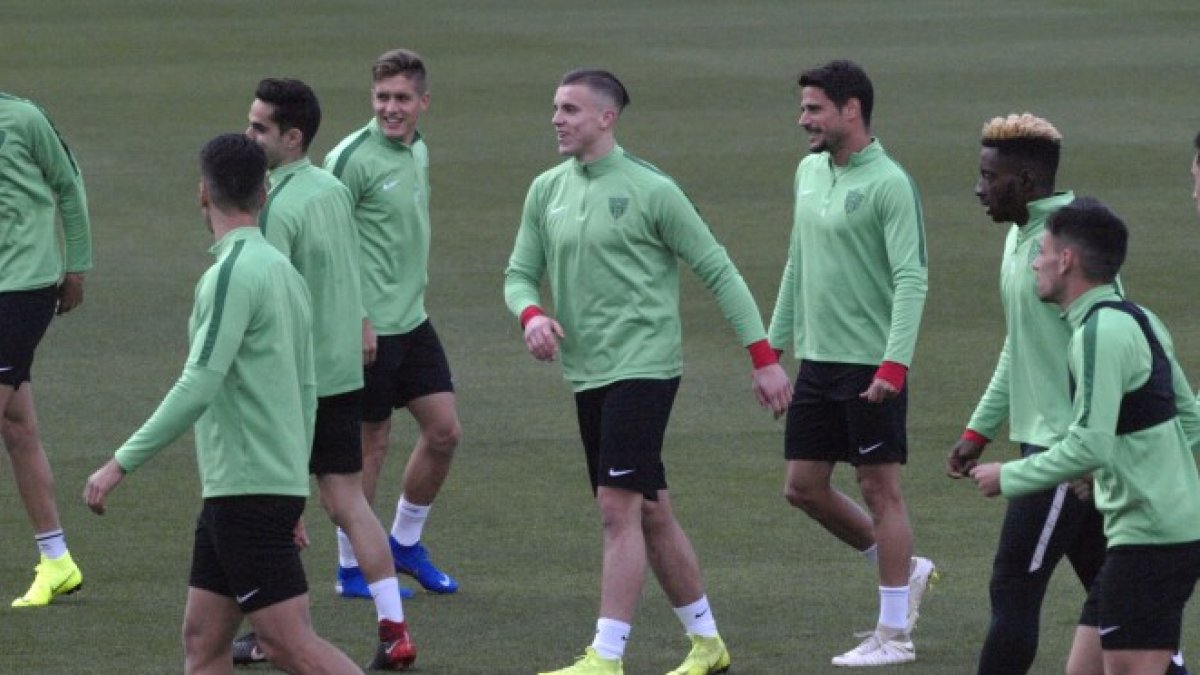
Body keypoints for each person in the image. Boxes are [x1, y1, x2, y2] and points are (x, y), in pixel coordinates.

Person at [505, 68, 792, 675]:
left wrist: (763, 360)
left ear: (606, 119)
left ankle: (606, 657)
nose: (557, 119)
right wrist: (532, 315)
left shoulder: (652, 189)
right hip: (587, 373)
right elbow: (518, 274)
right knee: (651, 510)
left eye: (571, 110)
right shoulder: (546, 189)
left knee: (617, 508)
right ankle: (709, 644)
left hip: (644, 367)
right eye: (556, 107)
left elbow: (720, 270)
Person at [82, 134, 365, 674]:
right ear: (264, 193)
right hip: (249, 488)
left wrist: (118, 464)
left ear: (202, 195)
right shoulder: (284, 272)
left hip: (246, 490)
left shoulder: (231, 274)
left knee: (288, 644)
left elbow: (198, 384)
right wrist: (293, 487)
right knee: (203, 641)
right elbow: (308, 391)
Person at [971, 196, 1200, 675]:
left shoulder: (1097, 333)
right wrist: (1106, 473)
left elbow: (1088, 444)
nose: (1035, 261)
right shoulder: (1139, 317)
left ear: (1066, 260)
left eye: (1043, 251)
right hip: (1152, 530)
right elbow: (1187, 422)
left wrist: (1008, 476)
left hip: (1152, 537)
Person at [232, 77, 414, 670]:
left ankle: (270, 634)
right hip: (341, 372)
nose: (248, 134)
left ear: (292, 136)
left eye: (259, 127)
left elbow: (271, 296)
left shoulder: (276, 203)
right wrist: (360, 319)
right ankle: (394, 628)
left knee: (266, 508)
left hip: (294, 380)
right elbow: (347, 265)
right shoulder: (330, 189)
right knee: (348, 502)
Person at [765, 59, 936, 667]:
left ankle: (895, 635)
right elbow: (797, 260)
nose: (803, 118)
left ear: (851, 110)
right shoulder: (809, 172)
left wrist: (895, 364)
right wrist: (771, 346)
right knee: (804, 487)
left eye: (813, 108)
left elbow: (912, 277)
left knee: (879, 488)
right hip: (819, 360)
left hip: (870, 364)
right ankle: (904, 571)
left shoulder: (890, 182)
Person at [945, 113, 1109, 675]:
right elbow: (1019, 347)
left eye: (989, 177)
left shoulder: (1072, 245)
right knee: (1113, 591)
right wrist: (977, 430)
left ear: (1026, 183)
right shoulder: (1022, 239)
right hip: (1048, 447)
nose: (978, 188)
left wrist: (1085, 452)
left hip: (1065, 456)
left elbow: (1104, 346)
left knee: (1014, 583)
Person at [324, 48, 459, 596]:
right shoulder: (349, 159)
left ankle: (403, 542)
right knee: (370, 443)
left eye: (402, 98)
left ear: (423, 102)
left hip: (412, 321)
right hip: (367, 328)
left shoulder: (417, 149)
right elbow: (325, 246)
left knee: (444, 432)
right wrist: (355, 318)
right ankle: (352, 567)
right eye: (382, 97)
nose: (391, 108)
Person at [1, 92, 91, 608]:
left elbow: (67, 184)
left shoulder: (24, 117)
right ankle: (57, 560)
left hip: (23, 288)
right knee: (17, 428)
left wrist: (76, 264)